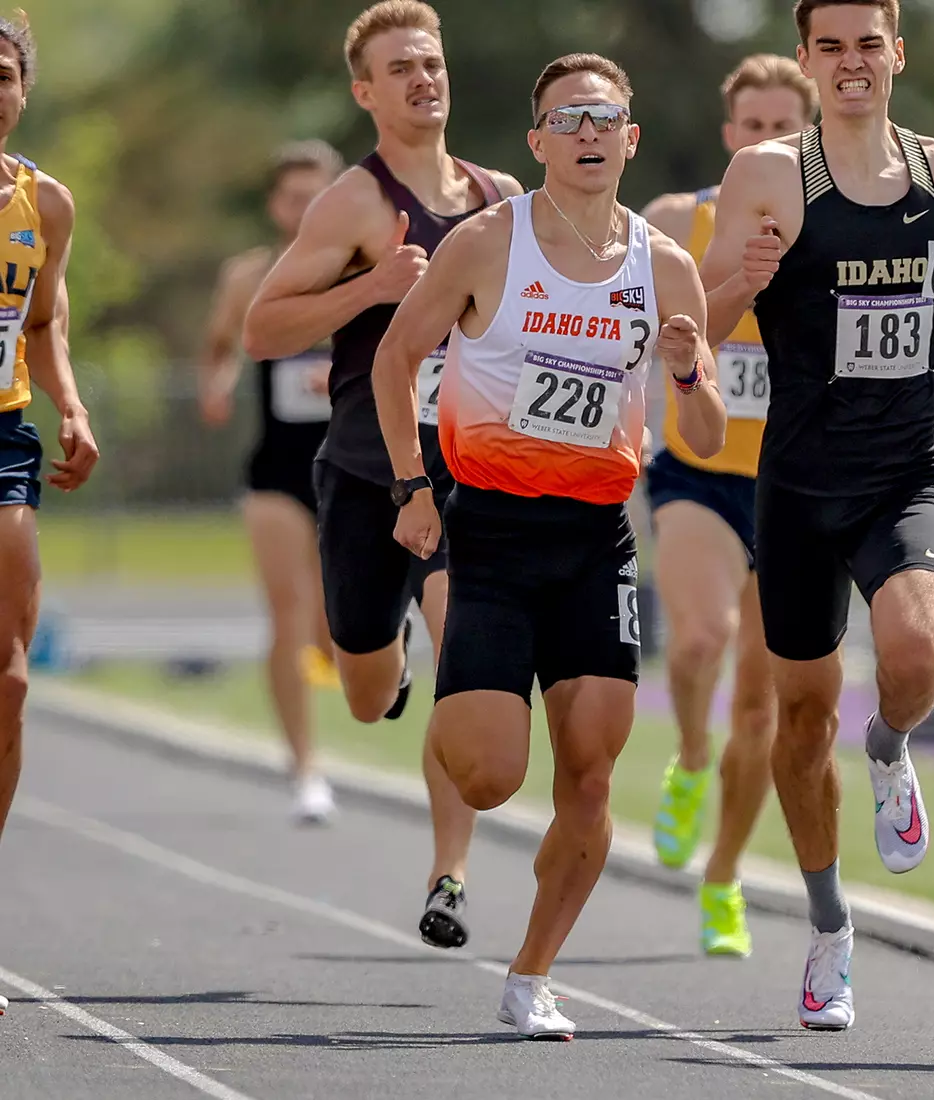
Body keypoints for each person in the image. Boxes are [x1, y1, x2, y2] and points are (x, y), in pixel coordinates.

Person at [376, 52, 724, 1038]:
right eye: (567, 119)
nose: (586, 133)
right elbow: (398, 358)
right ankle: (447, 687)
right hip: (488, 531)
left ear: (631, 138)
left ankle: (531, 973)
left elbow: (704, 436)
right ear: (537, 142)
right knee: (489, 775)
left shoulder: (665, 266)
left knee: (593, 770)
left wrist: (688, 371)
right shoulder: (489, 241)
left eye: (603, 117)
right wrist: (410, 486)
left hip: (595, 540)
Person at [699, 0, 934, 1030]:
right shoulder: (767, 175)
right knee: (798, 719)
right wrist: (739, 284)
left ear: (897, 54)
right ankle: (830, 929)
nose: (850, 62)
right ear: (805, 58)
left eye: (868, 43)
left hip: (904, 469)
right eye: (829, 46)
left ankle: (886, 744)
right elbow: (695, 320)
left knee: (917, 651)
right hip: (797, 482)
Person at [241, 0, 522, 949]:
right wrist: (370, 286)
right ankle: (381, 655)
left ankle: (450, 877)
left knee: (466, 667)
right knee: (364, 689)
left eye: (431, 62)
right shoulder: (354, 203)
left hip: (466, 474)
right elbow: (262, 328)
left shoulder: (500, 197)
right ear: (365, 92)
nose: (422, 78)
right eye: (400, 67)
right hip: (366, 474)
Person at [638, 53, 815, 958]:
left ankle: (724, 876)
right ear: (728, 135)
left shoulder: (842, 222)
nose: (768, 142)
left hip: (795, 483)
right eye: (754, 127)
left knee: (762, 708)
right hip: (699, 471)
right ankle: (689, 757)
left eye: (786, 128)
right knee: (700, 639)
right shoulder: (678, 220)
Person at [200, 140, 346, 825]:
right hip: (276, 473)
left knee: (335, 630)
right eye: (293, 197)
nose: (305, 208)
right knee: (286, 614)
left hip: (351, 468)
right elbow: (219, 344)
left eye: (318, 195)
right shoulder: (249, 275)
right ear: (274, 205)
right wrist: (218, 383)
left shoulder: (366, 269)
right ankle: (305, 768)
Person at [0, 12, 100, 859]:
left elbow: (42, 324)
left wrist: (72, 406)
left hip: (4, 435)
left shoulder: (48, 204)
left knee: (9, 680)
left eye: (2, 77)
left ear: (24, 92)